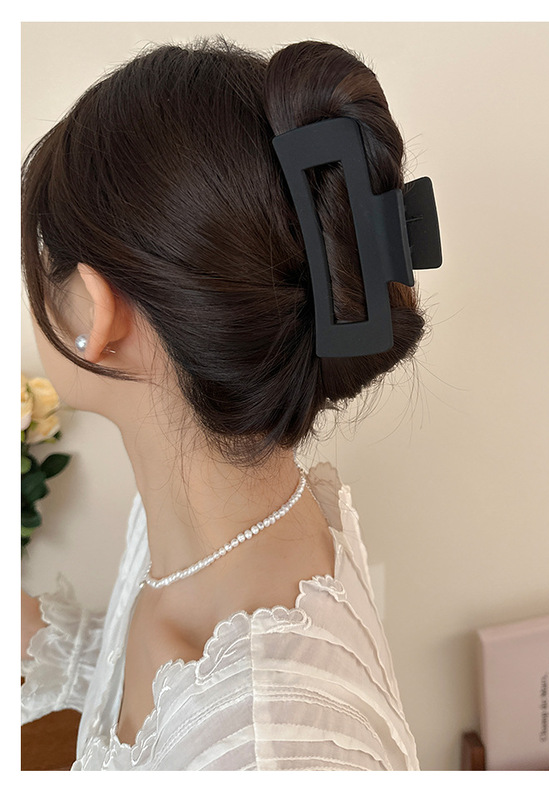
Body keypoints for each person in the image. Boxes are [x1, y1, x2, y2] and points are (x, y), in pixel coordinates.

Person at [21, 34, 427, 770]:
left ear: (99, 315)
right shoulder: (209, 519)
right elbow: (157, 692)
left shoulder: (267, 757)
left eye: (47, 262)